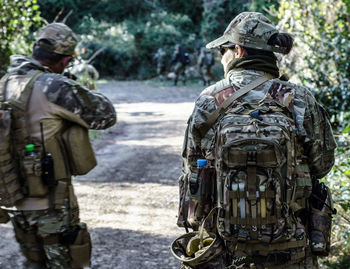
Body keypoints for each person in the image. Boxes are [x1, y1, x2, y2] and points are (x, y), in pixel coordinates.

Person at [175, 12, 336, 269]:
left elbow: (191, 167)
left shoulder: (209, 100)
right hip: (291, 247)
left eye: (223, 51)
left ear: (237, 50)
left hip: (223, 248)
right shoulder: (299, 98)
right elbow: (322, 165)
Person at [0, 23, 116, 269]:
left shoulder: (4, 84)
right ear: (65, 61)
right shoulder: (54, 86)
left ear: (34, 48)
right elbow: (106, 115)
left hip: (16, 199)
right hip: (52, 204)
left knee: (33, 264)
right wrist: (74, 86)